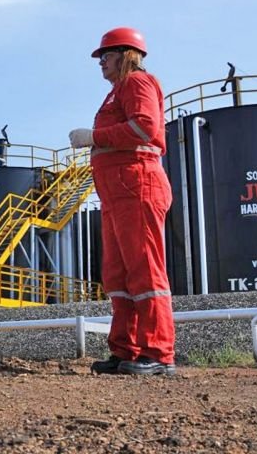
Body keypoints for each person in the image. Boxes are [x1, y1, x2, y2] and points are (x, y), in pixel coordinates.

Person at [69, 27, 175, 375]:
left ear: (127, 55)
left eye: (106, 55)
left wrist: (94, 137)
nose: (101, 62)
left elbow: (145, 128)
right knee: (117, 274)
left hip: (137, 185)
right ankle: (126, 349)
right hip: (117, 192)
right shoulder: (117, 91)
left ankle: (158, 353)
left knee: (144, 269)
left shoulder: (138, 82)